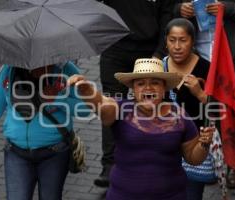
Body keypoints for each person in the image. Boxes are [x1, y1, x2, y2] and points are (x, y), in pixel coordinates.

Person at [68, 58, 215, 200]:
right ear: (133, 89)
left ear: (164, 88)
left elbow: (193, 158)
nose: (148, 87)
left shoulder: (180, 116)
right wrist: (87, 91)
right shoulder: (120, 109)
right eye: (141, 83)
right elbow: (102, 104)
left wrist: (204, 144)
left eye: (155, 83)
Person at [0, 62, 89, 200]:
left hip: (54, 154)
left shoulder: (66, 70)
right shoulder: (8, 71)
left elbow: (86, 109)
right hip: (16, 154)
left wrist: (57, 99)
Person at [174, 0, 235, 189]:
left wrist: (226, 8)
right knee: (199, 111)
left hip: (230, 59)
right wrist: (181, 9)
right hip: (198, 57)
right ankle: (205, 162)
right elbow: (172, 6)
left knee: (231, 112)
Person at [94, 0, 177, 187]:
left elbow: (168, 15)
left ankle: (156, 160)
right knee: (111, 105)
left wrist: (159, 53)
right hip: (114, 49)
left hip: (150, 51)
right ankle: (110, 164)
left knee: (153, 108)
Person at [162, 18, 219, 200]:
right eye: (172, 40)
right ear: (166, 42)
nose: (177, 46)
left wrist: (200, 94)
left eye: (183, 40)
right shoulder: (158, 70)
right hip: (164, 149)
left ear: (193, 42)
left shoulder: (206, 69)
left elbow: (219, 113)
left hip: (195, 149)